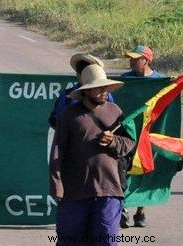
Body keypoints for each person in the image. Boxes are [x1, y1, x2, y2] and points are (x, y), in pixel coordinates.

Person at [50, 65, 135, 243]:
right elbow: (57, 151)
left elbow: (128, 144)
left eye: (105, 87)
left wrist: (113, 141)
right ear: (86, 91)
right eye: (99, 88)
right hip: (75, 191)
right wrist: (57, 183)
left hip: (109, 189)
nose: (104, 91)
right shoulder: (69, 115)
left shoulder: (115, 111)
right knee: (70, 240)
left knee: (107, 239)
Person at [120, 45, 165, 228]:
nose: (131, 62)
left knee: (146, 169)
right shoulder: (125, 80)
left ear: (146, 60)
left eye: (135, 59)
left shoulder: (159, 81)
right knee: (124, 168)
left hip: (150, 132)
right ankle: (123, 209)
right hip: (129, 132)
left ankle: (141, 211)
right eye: (130, 58)